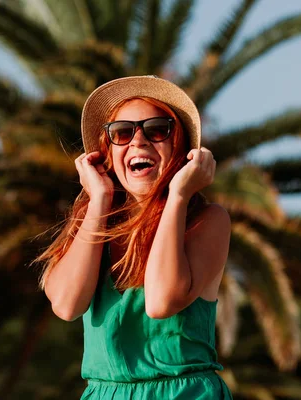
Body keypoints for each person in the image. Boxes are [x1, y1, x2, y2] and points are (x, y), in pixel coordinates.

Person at [36, 76, 233, 399]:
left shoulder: (206, 221)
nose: (138, 142)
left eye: (157, 129)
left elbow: (161, 301)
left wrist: (178, 196)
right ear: (107, 152)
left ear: (181, 147)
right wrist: (98, 199)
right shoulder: (93, 220)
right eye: (123, 133)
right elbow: (67, 305)